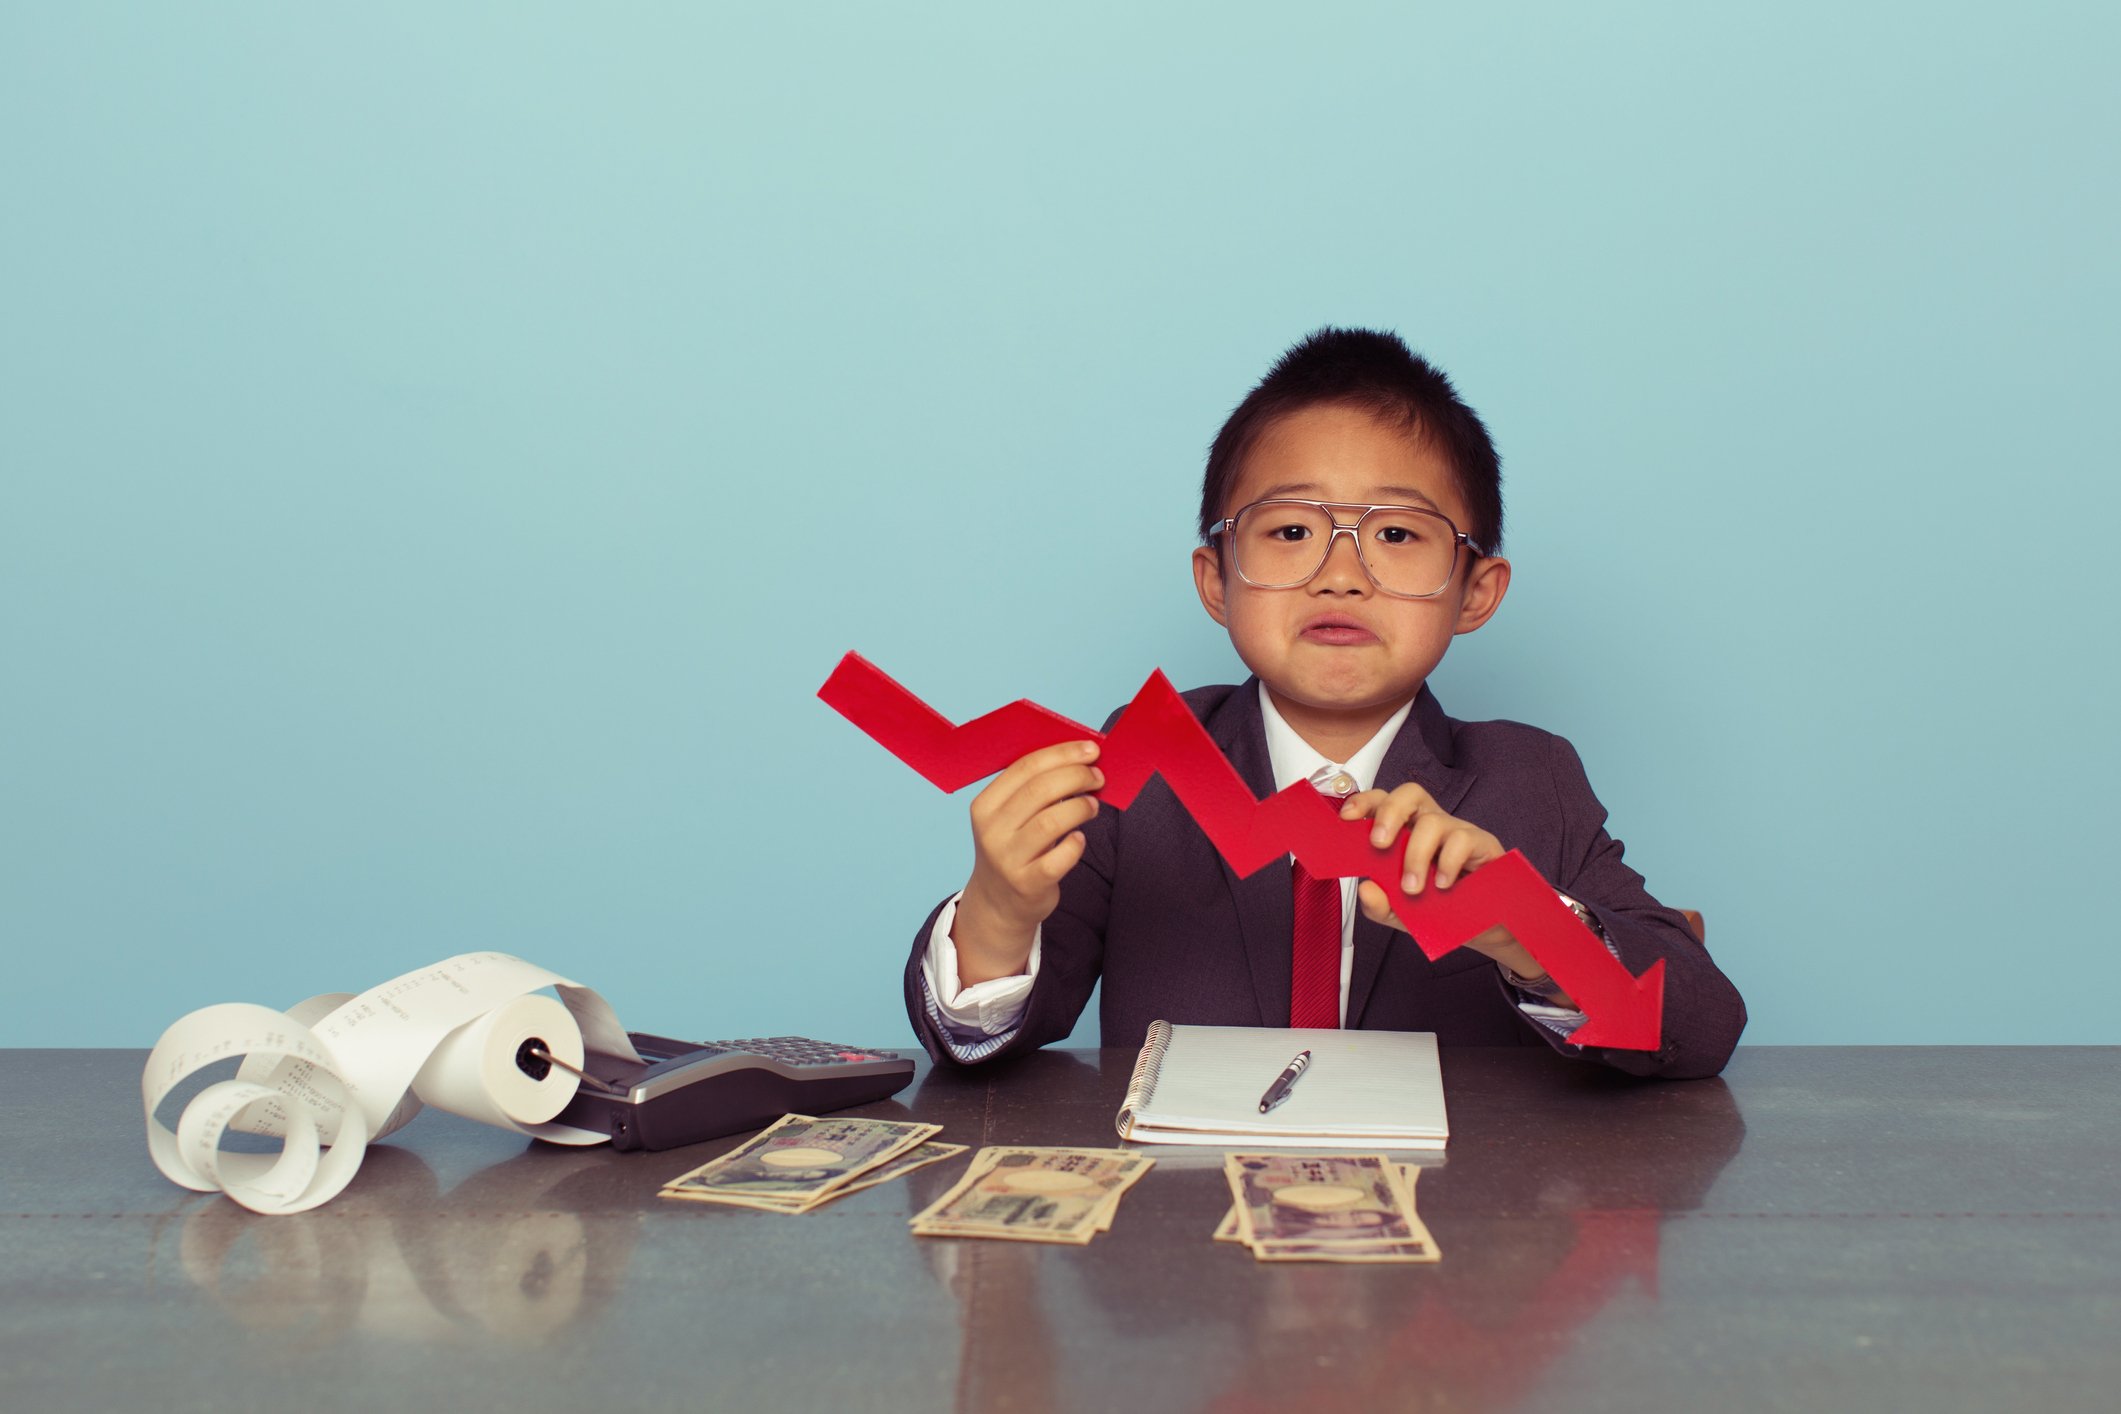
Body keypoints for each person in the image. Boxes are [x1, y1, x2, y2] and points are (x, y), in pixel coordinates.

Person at [902, 328, 1746, 1079]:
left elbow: (1702, 1028)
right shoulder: (1138, 764)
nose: (1340, 574)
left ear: (1476, 592)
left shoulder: (1531, 778)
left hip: (1458, 1242)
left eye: (1397, 536)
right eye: (1291, 531)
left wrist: (1527, 930)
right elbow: (980, 1043)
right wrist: (997, 915)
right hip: (1182, 1238)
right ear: (1216, 581)